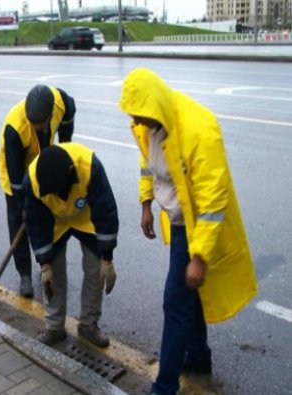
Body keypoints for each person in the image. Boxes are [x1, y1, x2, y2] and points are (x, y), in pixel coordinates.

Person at [119, 68, 258, 395]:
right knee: (188, 297)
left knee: (175, 301)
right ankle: (197, 357)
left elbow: (213, 198)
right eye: (134, 116)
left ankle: (165, 386)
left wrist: (199, 256)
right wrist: (145, 203)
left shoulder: (199, 128)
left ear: (153, 106)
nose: (137, 122)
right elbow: (146, 164)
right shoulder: (147, 124)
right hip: (177, 221)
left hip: (199, 229)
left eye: (140, 115)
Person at [23, 143, 118, 347]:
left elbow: (106, 213)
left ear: (69, 173)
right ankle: (55, 328)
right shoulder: (32, 181)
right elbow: (36, 224)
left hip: (87, 219)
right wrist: (44, 265)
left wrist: (107, 259)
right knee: (53, 277)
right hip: (55, 223)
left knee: (95, 271)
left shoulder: (90, 168)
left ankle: (88, 324)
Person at [0, 84, 76, 298]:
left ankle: (47, 265)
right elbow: (15, 179)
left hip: (43, 164)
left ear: (50, 115)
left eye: (41, 123)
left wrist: (65, 146)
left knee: (47, 218)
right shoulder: (15, 128)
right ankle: (24, 273)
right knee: (19, 222)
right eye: (34, 123)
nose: (37, 126)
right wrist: (25, 208)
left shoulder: (60, 102)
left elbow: (70, 112)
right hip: (17, 170)